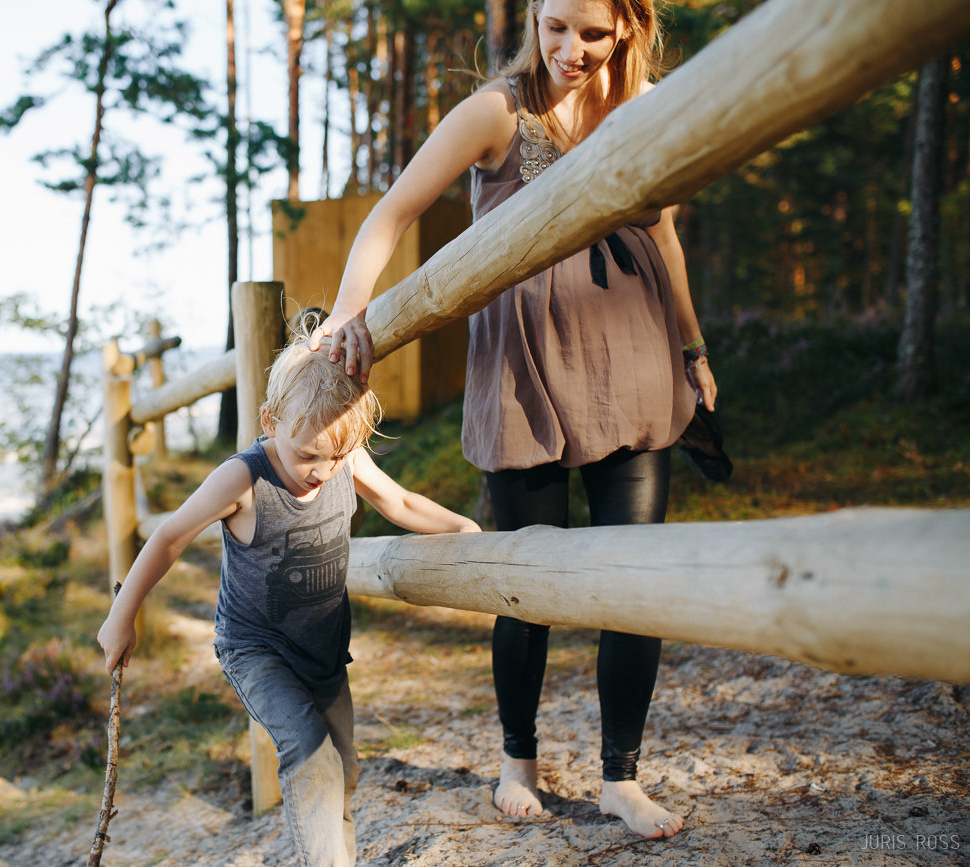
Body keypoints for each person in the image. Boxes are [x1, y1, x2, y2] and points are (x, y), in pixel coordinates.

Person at [309, 0, 717, 841]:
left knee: (632, 582)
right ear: (534, 16)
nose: (570, 49)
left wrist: (692, 345)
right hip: (524, 368)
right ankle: (517, 761)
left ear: (630, 29)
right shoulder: (498, 111)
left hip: (632, 363)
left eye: (593, 33)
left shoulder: (644, 109)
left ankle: (620, 777)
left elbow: (665, 238)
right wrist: (351, 314)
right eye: (555, 25)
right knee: (522, 581)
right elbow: (392, 212)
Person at [97, 330, 481, 867]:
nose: (322, 472)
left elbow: (399, 500)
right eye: (308, 457)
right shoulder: (243, 478)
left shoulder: (339, 456)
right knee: (310, 752)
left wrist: (464, 529)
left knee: (343, 769)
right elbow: (169, 537)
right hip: (256, 649)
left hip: (323, 653)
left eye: (336, 457)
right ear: (269, 421)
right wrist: (122, 614)